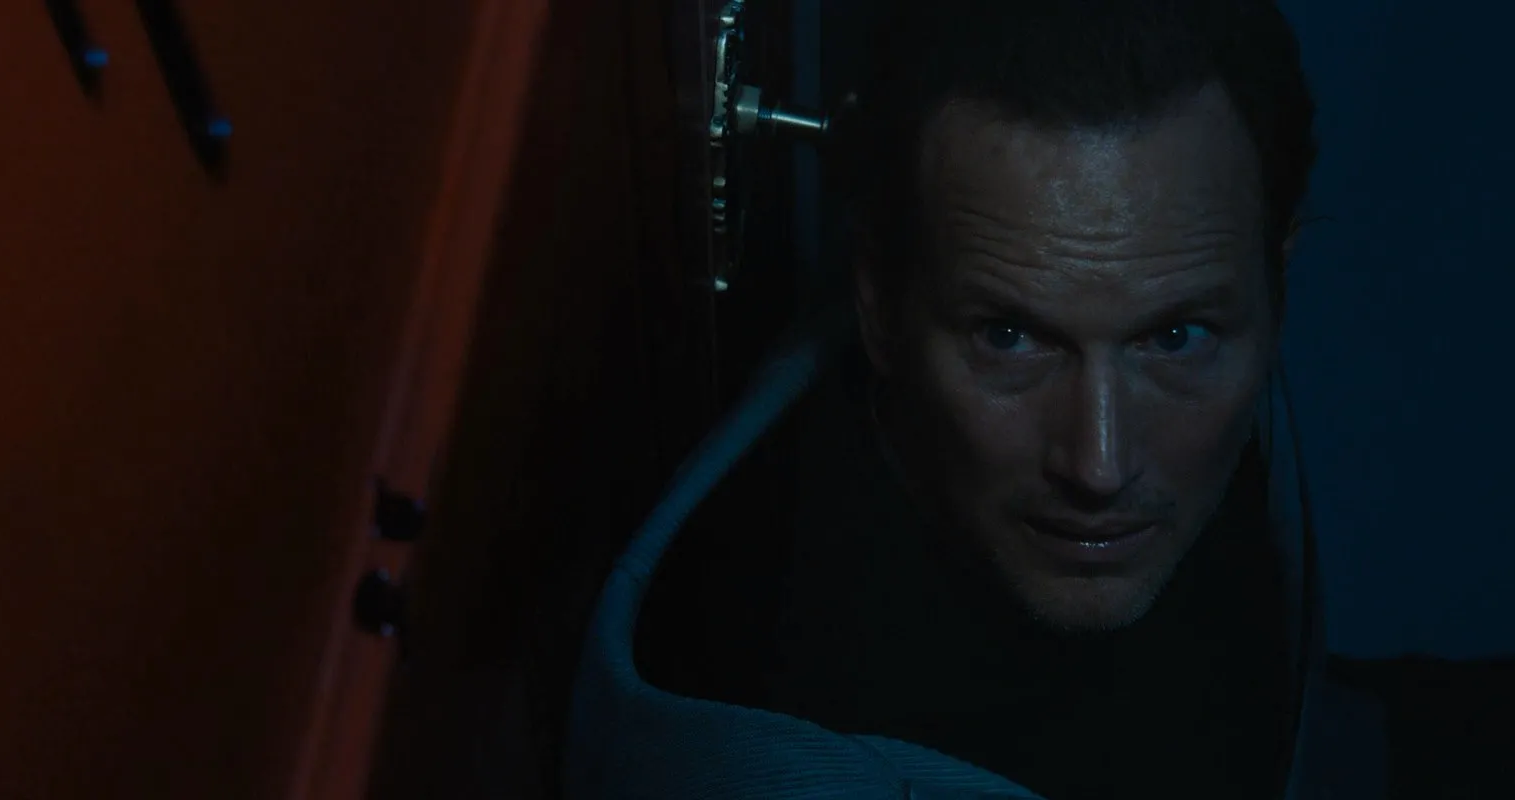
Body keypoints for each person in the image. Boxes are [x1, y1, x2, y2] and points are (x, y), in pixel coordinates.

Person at [570, 1, 1385, 797]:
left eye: (1173, 337)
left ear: (1276, 286)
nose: (1100, 465)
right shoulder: (784, 746)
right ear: (878, 310)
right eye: (1011, 338)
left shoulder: (1202, 282)